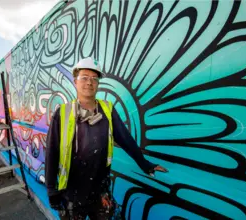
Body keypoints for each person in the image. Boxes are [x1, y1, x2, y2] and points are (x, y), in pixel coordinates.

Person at [45, 57, 168, 219]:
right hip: (71, 193)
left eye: (94, 79)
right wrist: (52, 190)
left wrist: (146, 165)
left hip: (100, 191)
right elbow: (52, 152)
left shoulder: (108, 110)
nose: (89, 82)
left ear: (98, 84)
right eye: (84, 78)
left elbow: (126, 140)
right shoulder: (62, 113)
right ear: (75, 81)